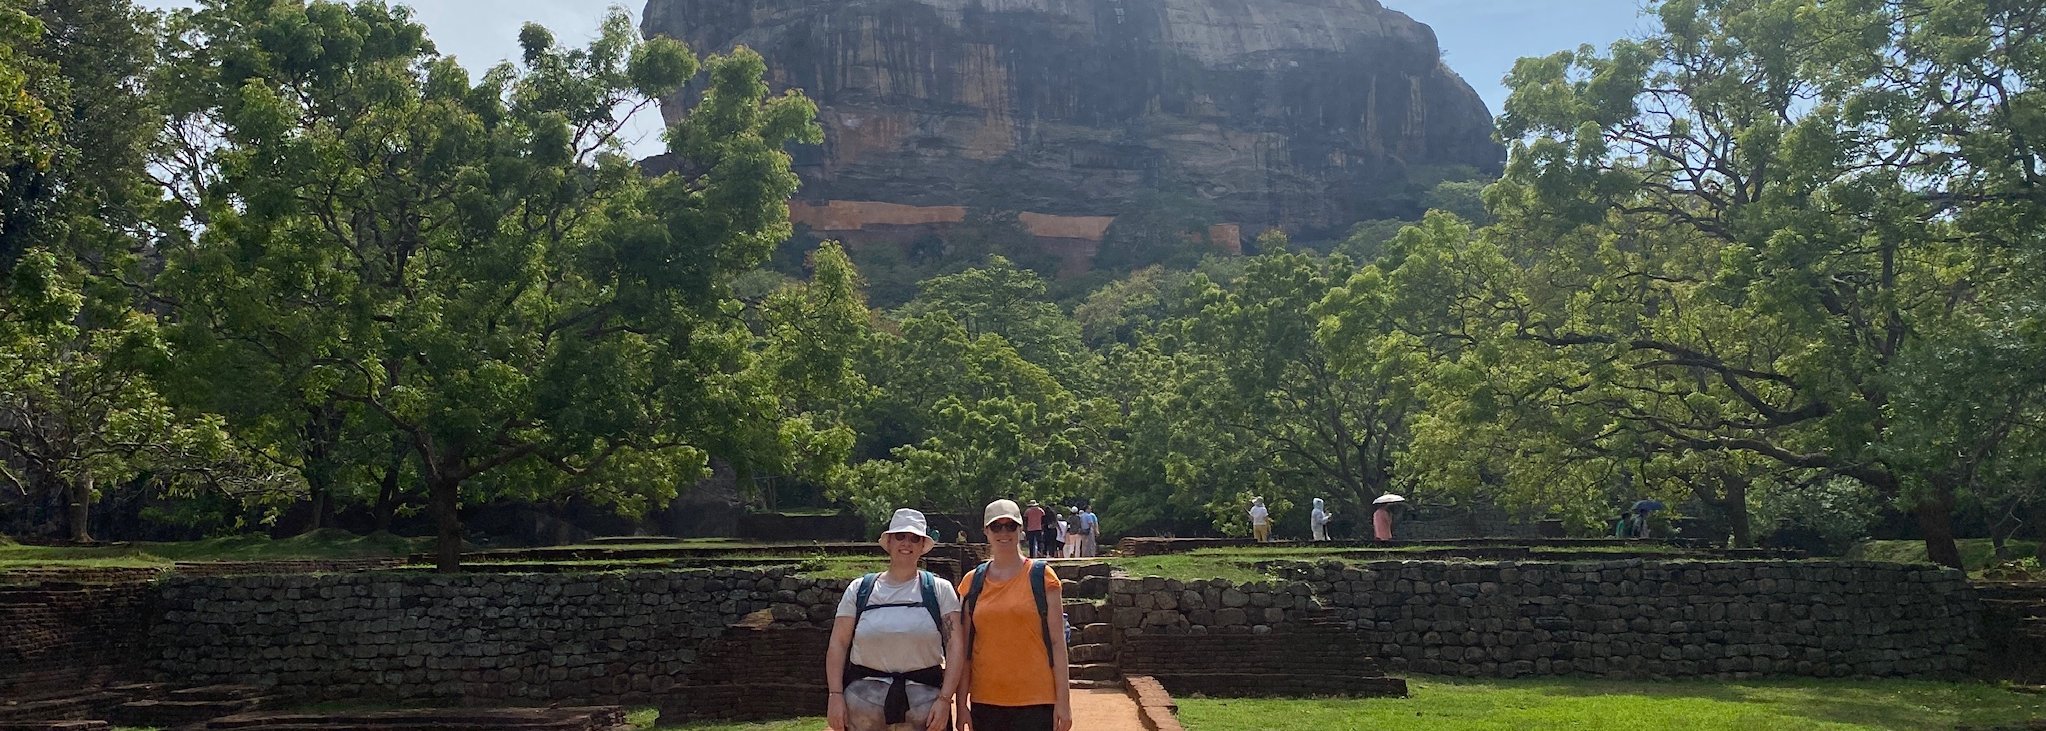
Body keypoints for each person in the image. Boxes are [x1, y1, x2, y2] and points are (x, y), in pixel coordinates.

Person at [826, 508, 966, 731]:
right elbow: (838, 643)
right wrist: (835, 694)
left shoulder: (939, 591)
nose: (906, 543)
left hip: (924, 704)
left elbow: (955, 646)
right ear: (889, 542)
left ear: (922, 546)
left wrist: (944, 700)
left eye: (914, 538)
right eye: (900, 536)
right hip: (863, 702)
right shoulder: (860, 590)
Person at [956, 499, 1072, 731]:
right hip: (986, 699)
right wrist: (960, 705)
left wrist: (1064, 703)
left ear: (1021, 529)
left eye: (1010, 526)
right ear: (986, 531)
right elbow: (965, 649)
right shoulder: (972, 582)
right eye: (996, 526)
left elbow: (1058, 643)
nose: (1004, 532)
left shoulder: (1042, 577)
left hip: (1037, 699)